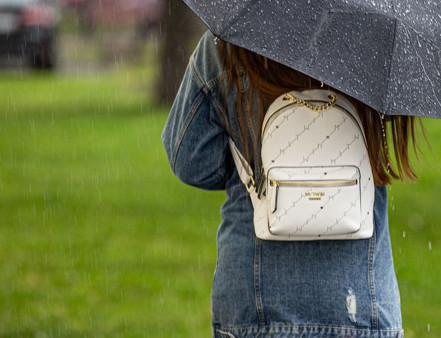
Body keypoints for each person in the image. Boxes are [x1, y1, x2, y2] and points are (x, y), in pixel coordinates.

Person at [162, 30, 421, 338]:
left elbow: (190, 160)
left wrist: (253, 170)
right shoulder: (375, 41)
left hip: (257, 307)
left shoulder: (228, 41)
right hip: (361, 306)